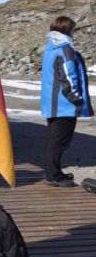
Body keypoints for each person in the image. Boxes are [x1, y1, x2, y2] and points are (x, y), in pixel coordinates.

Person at [40, 16, 93, 187]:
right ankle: (53, 176)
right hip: (64, 105)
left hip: (53, 104)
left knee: (54, 139)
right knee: (59, 141)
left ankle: (54, 172)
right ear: (68, 30)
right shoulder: (64, 49)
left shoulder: (51, 48)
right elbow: (68, 78)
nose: (74, 33)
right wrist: (76, 99)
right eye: (73, 30)